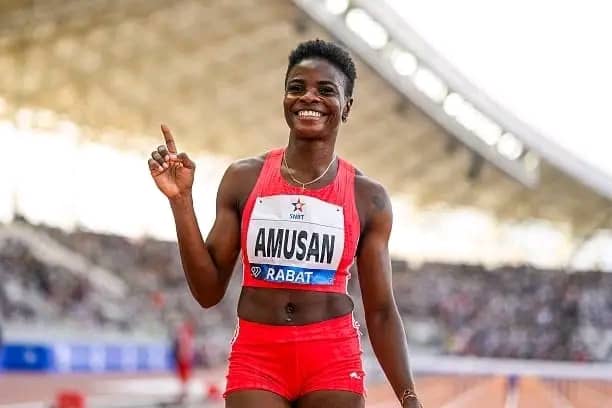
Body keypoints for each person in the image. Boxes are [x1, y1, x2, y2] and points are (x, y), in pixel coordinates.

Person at [148, 39, 422, 408]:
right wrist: (181, 202)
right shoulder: (243, 179)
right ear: (284, 99)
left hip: (332, 359)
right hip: (258, 356)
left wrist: (409, 398)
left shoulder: (367, 197)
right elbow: (208, 291)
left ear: (347, 106)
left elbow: (381, 310)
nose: (309, 97)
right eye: (297, 87)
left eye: (326, 90)